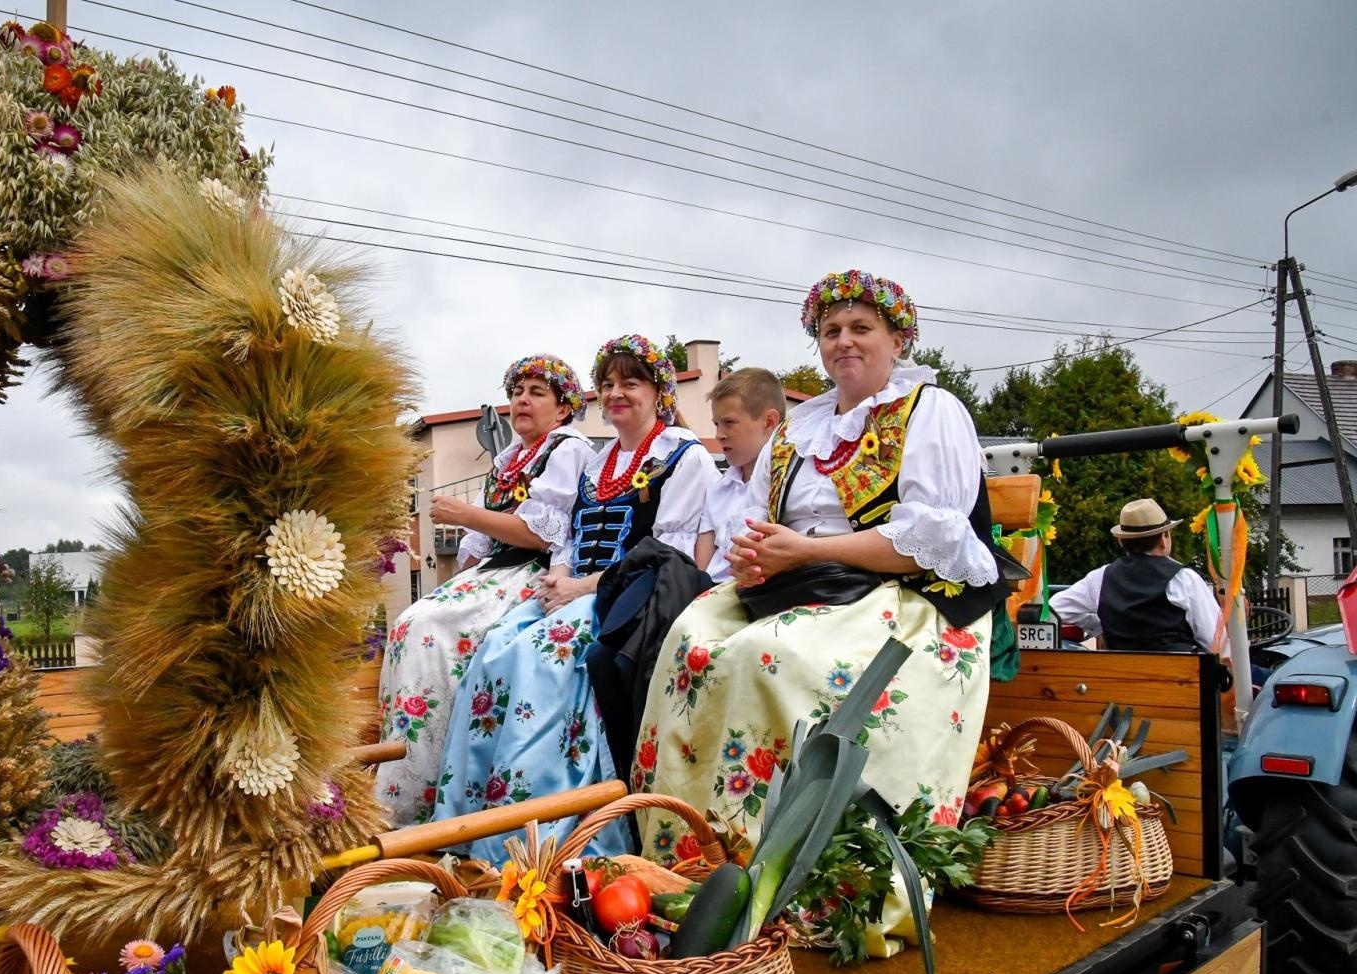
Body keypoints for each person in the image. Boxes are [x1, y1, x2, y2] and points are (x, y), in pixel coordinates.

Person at [632, 271, 1010, 878]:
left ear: (898, 340)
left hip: (902, 595)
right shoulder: (799, 430)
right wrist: (752, 557)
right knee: (686, 640)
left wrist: (807, 553)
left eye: (862, 328)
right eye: (831, 331)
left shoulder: (929, 410)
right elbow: (753, 520)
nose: (845, 342)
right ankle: (689, 854)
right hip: (797, 585)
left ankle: (777, 870)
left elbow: (927, 543)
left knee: (762, 655)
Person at [430, 334, 719, 861]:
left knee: (542, 656)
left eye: (630, 383)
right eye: (607, 384)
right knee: (494, 649)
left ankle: (538, 837)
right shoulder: (598, 459)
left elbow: (669, 552)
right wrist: (555, 582)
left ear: (660, 392)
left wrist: (583, 586)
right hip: (574, 588)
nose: (616, 394)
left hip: (634, 593)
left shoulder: (684, 456)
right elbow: (568, 538)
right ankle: (474, 817)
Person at [375, 355, 593, 826]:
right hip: (494, 570)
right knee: (412, 620)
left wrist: (466, 516)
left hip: (533, 570)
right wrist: (457, 582)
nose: (522, 400)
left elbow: (542, 534)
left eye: (537, 393)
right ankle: (410, 777)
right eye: (517, 392)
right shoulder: (508, 459)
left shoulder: (567, 450)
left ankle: (426, 791)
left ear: (562, 409)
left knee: (431, 630)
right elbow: (476, 547)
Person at [1049, 498, 1225, 655]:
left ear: (1121, 541)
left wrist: (1098, 626)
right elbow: (1218, 644)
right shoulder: (1185, 579)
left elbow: (1053, 610)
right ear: (1164, 540)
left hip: (1123, 684)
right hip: (1180, 684)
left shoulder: (1100, 577)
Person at [696, 368, 786, 583]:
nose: (719, 435)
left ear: (769, 421)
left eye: (729, 423)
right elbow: (701, 569)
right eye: (716, 424)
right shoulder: (717, 490)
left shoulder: (786, 486)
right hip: (709, 594)